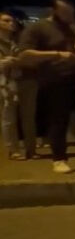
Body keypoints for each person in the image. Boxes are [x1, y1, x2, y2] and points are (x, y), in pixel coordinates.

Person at [18, 0, 75, 173]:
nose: (69, 16)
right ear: (54, 11)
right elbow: (25, 55)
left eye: (71, 12)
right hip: (55, 81)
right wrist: (57, 54)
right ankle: (59, 159)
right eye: (65, 12)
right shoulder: (38, 28)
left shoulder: (73, 27)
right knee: (58, 121)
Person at [0, 11, 25, 160]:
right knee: (7, 118)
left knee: (10, 117)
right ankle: (12, 149)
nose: (11, 24)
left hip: (11, 83)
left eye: (12, 21)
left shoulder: (12, 42)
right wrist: (8, 62)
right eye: (6, 21)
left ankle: (13, 147)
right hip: (3, 83)